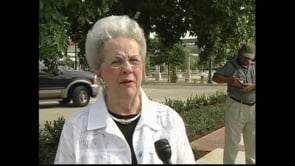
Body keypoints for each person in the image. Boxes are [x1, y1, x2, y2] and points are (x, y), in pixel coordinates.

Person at [54, 15, 195, 164]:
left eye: (134, 60)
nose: (127, 69)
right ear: (99, 70)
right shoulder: (76, 128)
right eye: (116, 61)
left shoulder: (169, 121)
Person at [212, 43, 255, 164]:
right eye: (245, 57)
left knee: (253, 141)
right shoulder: (231, 65)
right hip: (236, 106)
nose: (247, 61)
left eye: (250, 58)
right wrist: (231, 80)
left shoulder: (254, 65)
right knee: (232, 141)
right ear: (240, 54)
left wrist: (252, 86)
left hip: (253, 108)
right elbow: (215, 77)